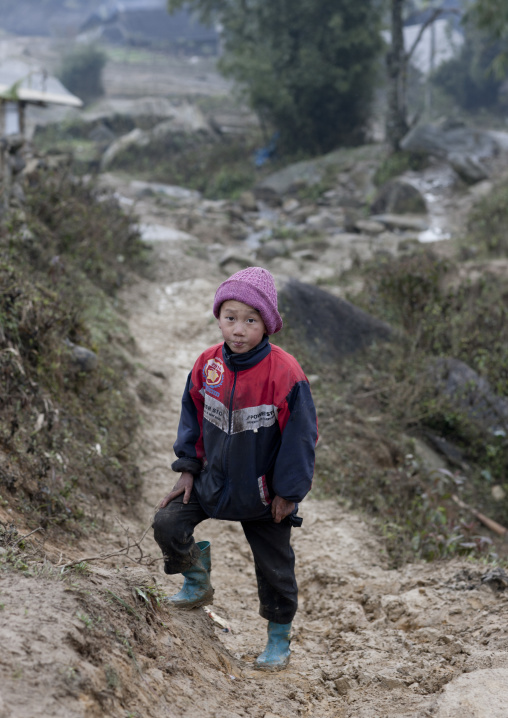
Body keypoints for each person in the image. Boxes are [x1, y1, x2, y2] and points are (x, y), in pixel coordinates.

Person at [153, 266, 317, 671]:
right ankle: (196, 582)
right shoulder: (208, 364)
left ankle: (278, 640)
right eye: (230, 317)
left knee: (276, 569)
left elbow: (301, 438)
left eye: (250, 319)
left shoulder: (286, 374)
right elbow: (191, 414)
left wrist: (288, 493)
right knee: (167, 523)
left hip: (263, 496)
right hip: (213, 482)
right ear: (218, 318)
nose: (238, 329)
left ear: (268, 324)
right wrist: (188, 468)